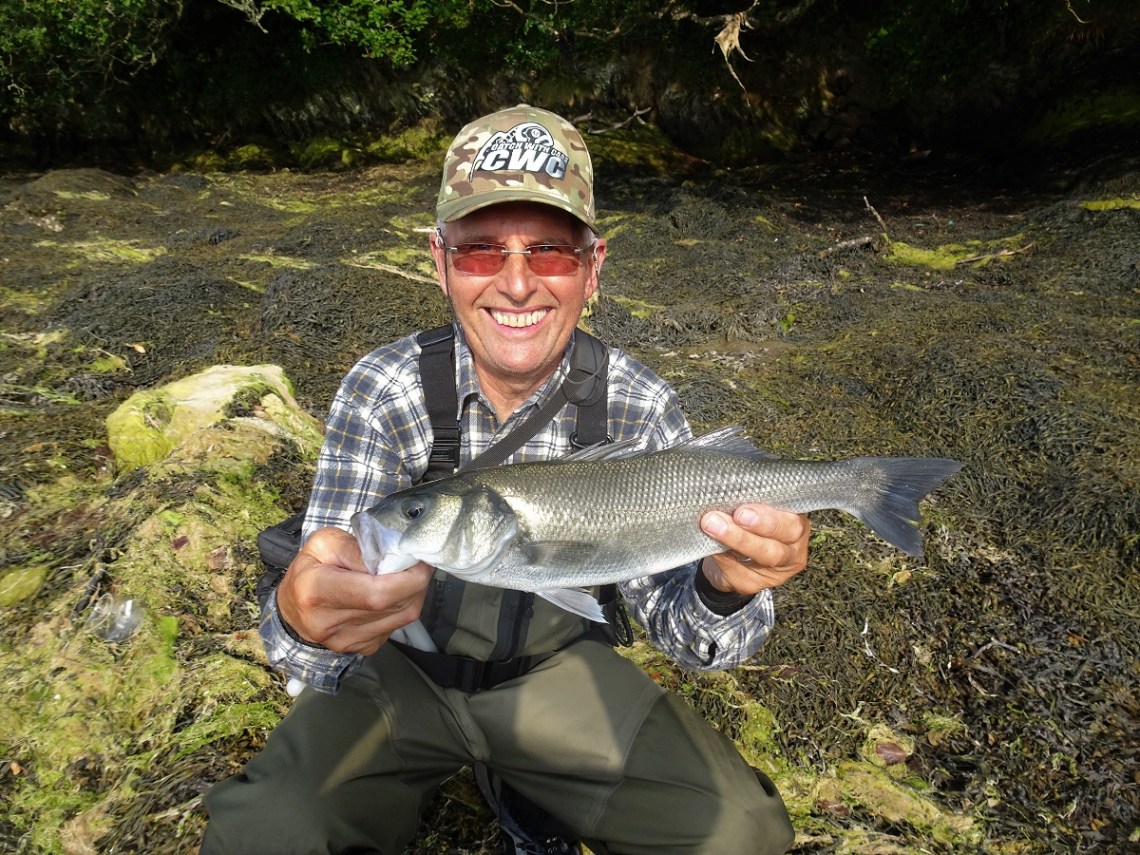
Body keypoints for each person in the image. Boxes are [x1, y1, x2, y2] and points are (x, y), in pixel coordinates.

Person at [202, 104, 809, 855]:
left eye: (551, 251)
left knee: (741, 834)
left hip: (559, 677)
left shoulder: (641, 403)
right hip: (396, 674)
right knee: (263, 834)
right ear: (438, 261)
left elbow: (686, 639)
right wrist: (300, 620)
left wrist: (729, 585)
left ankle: (533, 782)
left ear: (594, 268)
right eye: (481, 251)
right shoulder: (383, 389)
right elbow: (313, 643)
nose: (517, 285)